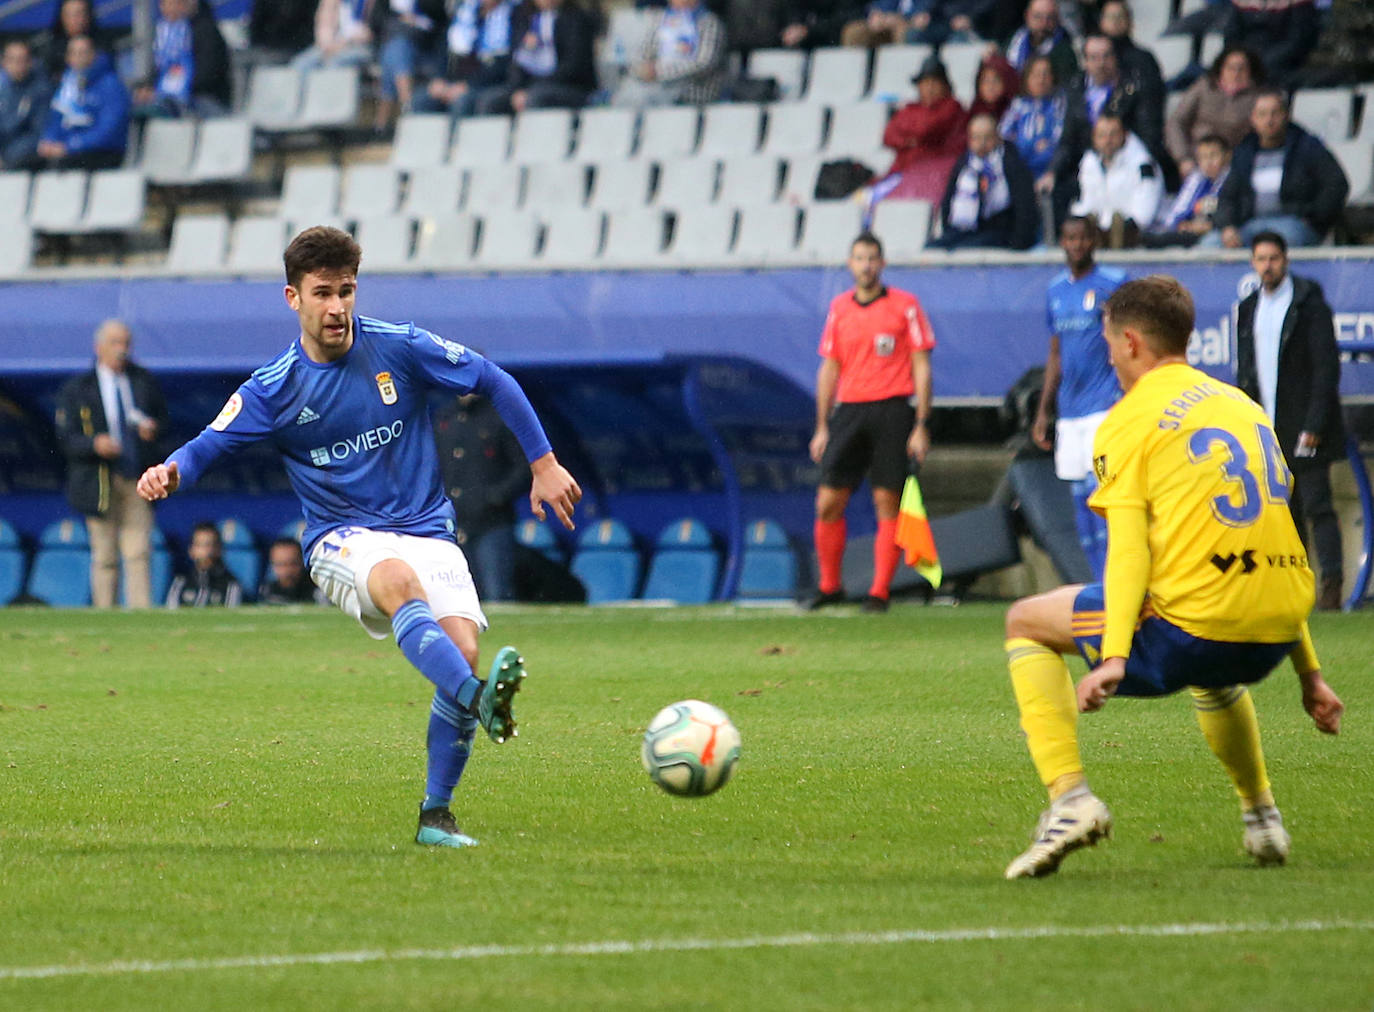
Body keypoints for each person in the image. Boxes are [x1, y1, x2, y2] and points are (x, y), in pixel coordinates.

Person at [137, 226, 581, 849]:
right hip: (341, 539)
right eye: (323, 293)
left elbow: (493, 379)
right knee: (403, 590)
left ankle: (436, 815)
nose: (338, 307)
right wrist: (169, 471)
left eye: (346, 291)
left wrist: (543, 463)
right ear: (293, 298)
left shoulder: (398, 347)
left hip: (427, 528)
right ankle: (479, 700)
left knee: (462, 652)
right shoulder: (275, 387)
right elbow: (208, 443)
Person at [1002, 274, 1344, 880]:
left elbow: (1128, 550)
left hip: (1194, 632)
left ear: (1131, 342)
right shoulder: (1243, 406)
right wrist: (1310, 676)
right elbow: (1275, 540)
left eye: (1109, 341)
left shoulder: (1129, 421)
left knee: (1025, 621)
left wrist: (1112, 657)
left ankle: (1070, 800)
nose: (1107, 353)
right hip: (1273, 633)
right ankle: (1262, 817)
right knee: (1213, 676)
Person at [805, 231, 935, 614]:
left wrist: (921, 423)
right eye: (859, 258)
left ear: (882, 263)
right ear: (851, 264)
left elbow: (922, 367)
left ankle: (880, 591)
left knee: (886, 499)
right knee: (829, 500)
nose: (866, 265)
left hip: (892, 410)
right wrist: (822, 425)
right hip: (849, 410)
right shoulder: (840, 308)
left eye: (872, 258)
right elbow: (829, 367)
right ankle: (830, 585)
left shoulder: (905, 306)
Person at [1235, 231, 1346, 611]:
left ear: (1286, 259)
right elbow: (1246, 371)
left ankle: (1331, 588)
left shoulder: (1307, 304)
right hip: (1268, 427)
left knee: (1318, 505)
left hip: (1305, 424)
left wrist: (1315, 423)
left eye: (1274, 258)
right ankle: (1296, 589)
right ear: (1253, 262)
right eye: (1261, 259)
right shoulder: (1249, 308)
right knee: (1284, 513)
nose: (1268, 266)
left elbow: (1325, 368)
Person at [1031, 216, 1123, 580]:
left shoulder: (1113, 284)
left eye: (1083, 237)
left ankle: (1111, 582)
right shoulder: (1055, 290)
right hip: (1069, 413)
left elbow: (1126, 342)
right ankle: (1097, 584)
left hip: (1104, 406)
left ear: (1094, 241)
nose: (1077, 244)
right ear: (1062, 243)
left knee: (1101, 497)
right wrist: (1044, 410)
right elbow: (1055, 354)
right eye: (1070, 238)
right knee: (1079, 504)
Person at [55, 319, 168, 609]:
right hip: (99, 481)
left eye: (126, 344)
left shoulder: (142, 380)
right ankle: (105, 611)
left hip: (136, 476)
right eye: (115, 343)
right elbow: (65, 438)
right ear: (99, 347)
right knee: (104, 554)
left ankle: (141, 610)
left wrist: (151, 430)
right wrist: (94, 444)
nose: (122, 350)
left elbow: (163, 422)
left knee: (138, 550)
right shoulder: (78, 388)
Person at [1206, 87, 1349, 250]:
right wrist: (1227, 227)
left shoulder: (1307, 147)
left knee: (1283, 243)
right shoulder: (1243, 152)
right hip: (1249, 224)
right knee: (1210, 245)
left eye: (1275, 113)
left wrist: (1314, 219)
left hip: (1292, 223)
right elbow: (1227, 197)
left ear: (1286, 115)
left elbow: (1336, 184)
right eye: (1262, 114)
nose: (1269, 120)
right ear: (1253, 119)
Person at [433, 392, 529, 601]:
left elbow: (523, 468)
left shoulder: (501, 416)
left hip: (492, 523)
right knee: (457, 596)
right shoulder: (444, 418)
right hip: (451, 523)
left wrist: (495, 496)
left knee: (496, 593)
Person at [869, 56, 967, 207]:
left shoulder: (952, 107)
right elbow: (888, 136)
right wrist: (908, 140)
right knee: (865, 200)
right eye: (925, 83)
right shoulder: (910, 108)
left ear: (945, 86)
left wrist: (908, 135)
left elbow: (927, 129)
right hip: (901, 172)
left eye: (935, 82)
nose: (930, 88)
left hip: (932, 175)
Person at [934, 112, 1038, 251]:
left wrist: (1019, 244)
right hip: (963, 229)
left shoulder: (1011, 164)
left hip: (999, 232)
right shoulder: (964, 164)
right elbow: (949, 199)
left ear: (997, 137)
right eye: (976, 138)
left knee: (966, 251)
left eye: (987, 138)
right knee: (932, 249)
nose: (981, 144)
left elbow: (1024, 208)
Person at [474, 0, 597, 115]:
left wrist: (532, 88)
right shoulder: (528, 21)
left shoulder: (577, 19)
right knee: (490, 101)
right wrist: (518, 89)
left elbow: (573, 66)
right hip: (532, 86)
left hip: (571, 87)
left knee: (536, 98)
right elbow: (517, 62)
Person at [1164, 44, 1263, 179]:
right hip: (1195, 160)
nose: (1236, 73)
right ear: (1221, 68)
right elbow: (1176, 122)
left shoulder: (1258, 96)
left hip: (1233, 165)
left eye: (1242, 68)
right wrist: (1183, 158)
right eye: (1230, 68)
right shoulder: (1204, 86)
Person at [37, 34, 130, 170]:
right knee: (29, 162)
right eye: (73, 53)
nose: (78, 57)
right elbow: (55, 118)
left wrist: (71, 145)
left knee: (64, 165)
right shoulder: (67, 83)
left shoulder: (111, 85)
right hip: (70, 149)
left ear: (94, 54)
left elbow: (110, 129)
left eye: (83, 52)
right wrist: (49, 140)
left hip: (104, 151)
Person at [1069, 112, 1163, 245]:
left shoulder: (1143, 164)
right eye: (1102, 135)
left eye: (1113, 134)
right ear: (1094, 139)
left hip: (1136, 236)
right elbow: (1085, 202)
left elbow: (1144, 215)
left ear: (1125, 135)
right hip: (1100, 233)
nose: (1107, 141)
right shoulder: (1088, 163)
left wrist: (1120, 229)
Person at [612, 0, 727, 107]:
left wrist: (659, 73)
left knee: (644, 99)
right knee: (625, 97)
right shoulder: (663, 21)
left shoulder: (709, 23)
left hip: (692, 90)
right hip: (655, 86)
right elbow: (644, 52)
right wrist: (641, 70)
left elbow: (704, 63)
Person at [418, 0, 520, 119]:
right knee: (422, 101)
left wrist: (468, 85)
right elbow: (443, 49)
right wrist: (439, 78)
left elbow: (506, 62)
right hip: (454, 80)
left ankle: (455, 137)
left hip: (489, 82)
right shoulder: (464, 12)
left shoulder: (513, 15)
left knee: (462, 102)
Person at [132, 0, 232, 118]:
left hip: (205, 100)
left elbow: (207, 76)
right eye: (163, 4)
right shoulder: (165, 35)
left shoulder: (206, 32)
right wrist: (146, 87)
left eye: (172, 3)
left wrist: (166, 92)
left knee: (161, 110)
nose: (165, 9)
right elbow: (160, 70)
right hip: (171, 99)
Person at [1147, 133, 1231, 247]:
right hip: (1189, 231)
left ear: (1227, 156)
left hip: (1215, 232)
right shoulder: (1196, 179)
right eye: (1203, 157)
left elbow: (1230, 214)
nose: (1208, 162)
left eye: (1213, 155)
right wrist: (1181, 224)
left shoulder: (1232, 180)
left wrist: (1209, 225)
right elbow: (1179, 210)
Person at [999, 53, 1066, 191]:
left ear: (1053, 77)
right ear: (1026, 79)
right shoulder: (1017, 106)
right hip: (1019, 172)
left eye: (1045, 74)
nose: (1041, 80)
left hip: (1050, 173)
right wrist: (1029, 146)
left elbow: (1060, 140)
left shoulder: (1060, 104)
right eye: (1035, 75)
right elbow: (1003, 137)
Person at [1221, 0, 1319, 91]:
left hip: (1281, 63)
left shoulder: (1300, 4)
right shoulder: (1241, 3)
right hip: (1247, 57)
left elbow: (1298, 41)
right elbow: (1231, 36)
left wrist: (1260, 63)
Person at [166, 521, 244, 607]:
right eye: (200, 545)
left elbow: (231, 616)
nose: (206, 551)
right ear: (191, 551)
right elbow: (171, 613)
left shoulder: (231, 585)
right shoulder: (180, 582)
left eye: (210, 545)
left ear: (219, 549)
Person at [0, 40, 50, 171]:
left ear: (30, 62)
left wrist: (6, 157)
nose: (17, 65)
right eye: (12, 59)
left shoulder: (41, 91)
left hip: (22, 158)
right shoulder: (2, 90)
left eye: (21, 59)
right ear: (3, 62)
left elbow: (38, 133)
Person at [1005, 0, 1078, 86]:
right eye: (1038, 17)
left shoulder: (1065, 51)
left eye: (1050, 18)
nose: (1044, 23)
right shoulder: (1014, 39)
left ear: (1057, 20)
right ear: (1027, 16)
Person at [258, 536, 326, 605]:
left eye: (293, 564)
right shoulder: (267, 593)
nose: (287, 571)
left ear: (302, 562)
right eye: (280, 564)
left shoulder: (321, 591)